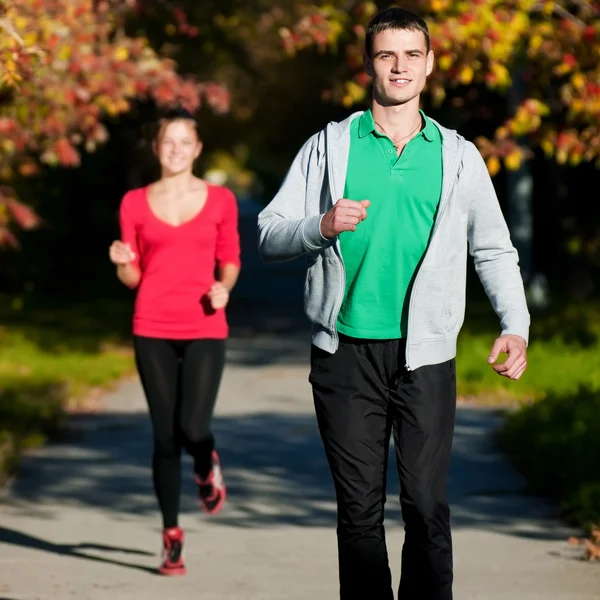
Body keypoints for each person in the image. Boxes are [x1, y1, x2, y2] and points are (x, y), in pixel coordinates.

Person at [257, 7, 529, 600]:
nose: (399, 66)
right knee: (358, 514)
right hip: (344, 353)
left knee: (427, 506)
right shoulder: (330, 147)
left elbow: (494, 249)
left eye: (411, 55)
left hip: (426, 356)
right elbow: (269, 231)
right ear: (368, 64)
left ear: (429, 65)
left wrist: (516, 324)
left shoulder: (457, 156)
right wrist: (320, 225)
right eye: (386, 54)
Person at [108, 107, 241, 576]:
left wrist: (224, 286)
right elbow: (132, 275)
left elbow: (230, 259)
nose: (177, 149)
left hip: (205, 323)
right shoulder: (134, 203)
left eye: (186, 142)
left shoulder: (221, 199)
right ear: (157, 147)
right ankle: (171, 536)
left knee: (192, 427)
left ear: (198, 148)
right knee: (164, 436)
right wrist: (122, 260)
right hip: (152, 324)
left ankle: (206, 463)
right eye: (169, 142)